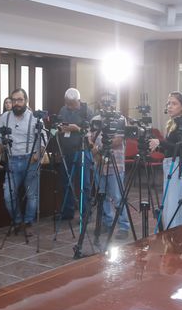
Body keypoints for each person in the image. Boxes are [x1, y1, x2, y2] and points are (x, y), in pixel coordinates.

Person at [0, 88, 45, 235]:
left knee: (31, 195)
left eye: (20, 100)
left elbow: (43, 140)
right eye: (14, 100)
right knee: (9, 195)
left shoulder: (35, 118)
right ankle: (17, 221)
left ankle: (28, 222)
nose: (16, 103)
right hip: (12, 160)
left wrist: (37, 155)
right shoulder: (4, 118)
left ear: (26, 101)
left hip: (30, 159)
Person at [89, 93, 130, 239]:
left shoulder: (120, 119)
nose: (106, 104)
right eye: (103, 101)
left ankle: (124, 226)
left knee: (117, 197)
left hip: (115, 164)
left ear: (114, 103)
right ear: (99, 103)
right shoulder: (95, 119)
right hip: (99, 163)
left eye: (109, 101)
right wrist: (94, 149)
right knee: (102, 196)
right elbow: (90, 138)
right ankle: (107, 223)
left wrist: (99, 149)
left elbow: (118, 140)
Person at [150, 92, 182, 229]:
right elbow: (170, 150)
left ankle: (175, 237)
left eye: (174, 103)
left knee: (174, 208)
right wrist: (158, 147)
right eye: (168, 103)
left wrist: (161, 143)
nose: (170, 106)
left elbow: (181, 148)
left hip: (178, 168)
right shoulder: (171, 124)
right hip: (169, 165)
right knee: (168, 206)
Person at [56, 87, 91, 221]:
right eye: (67, 103)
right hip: (66, 151)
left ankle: (85, 213)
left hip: (83, 151)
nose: (69, 107)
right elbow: (59, 125)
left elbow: (91, 131)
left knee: (84, 183)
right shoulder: (63, 110)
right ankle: (67, 212)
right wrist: (60, 128)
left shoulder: (87, 111)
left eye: (72, 104)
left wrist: (77, 128)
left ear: (79, 101)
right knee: (66, 182)